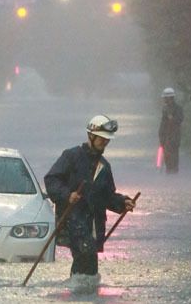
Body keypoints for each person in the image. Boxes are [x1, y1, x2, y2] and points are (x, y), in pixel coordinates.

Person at [44, 115, 135, 294]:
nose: (105, 143)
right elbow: (51, 180)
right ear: (91, 136)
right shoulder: (71, 157)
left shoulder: (104, 166)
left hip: (94, 225)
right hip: (73, 221)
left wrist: (123, 202)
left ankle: (80, 297)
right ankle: (78, 298)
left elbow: (107, 196)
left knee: (89, 264)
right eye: (101, 138)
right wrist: (67, 195)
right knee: (85, 258)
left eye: (107, 140)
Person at [159, 87, 184, 174]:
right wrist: (161, 135)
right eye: (164, 98)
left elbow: (180, 119)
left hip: (175, 136)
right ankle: (169, 171)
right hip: (166, 136)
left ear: (171, 98)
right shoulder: (165, 109)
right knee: (167, 156)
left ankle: (174, 172)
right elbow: (163, 123)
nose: (165, 100)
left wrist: (172, 119)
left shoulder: (178, 109)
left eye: (166, 98)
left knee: (174, 155)